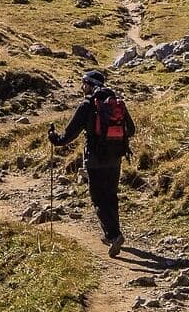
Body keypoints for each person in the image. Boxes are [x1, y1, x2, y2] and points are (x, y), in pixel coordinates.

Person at [48, 69, 135, 257]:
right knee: (111, 195)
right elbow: (132, 129)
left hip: (95, 159)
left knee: (98, 198)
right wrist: (115, 140)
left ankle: (113, 235)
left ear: (89, 85)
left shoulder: (87, 105)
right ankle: (113, 233)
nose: (82, 87)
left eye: (83, 83)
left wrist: (54, 139)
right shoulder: (117, 103)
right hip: (116, 158)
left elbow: (68, 135)